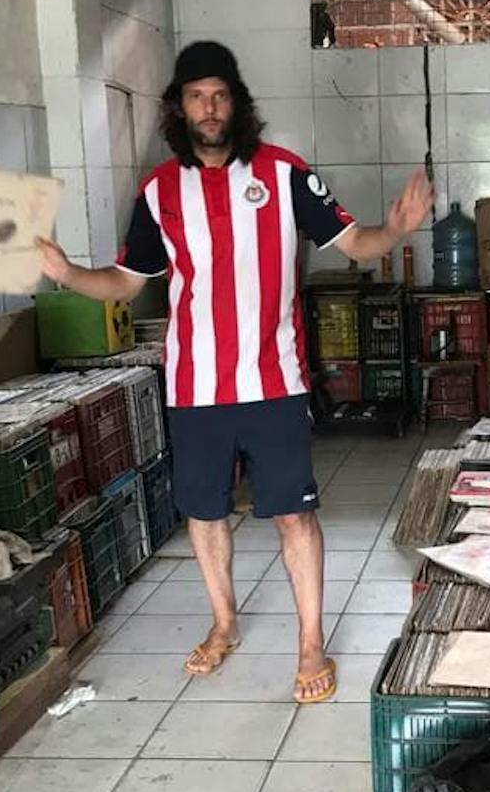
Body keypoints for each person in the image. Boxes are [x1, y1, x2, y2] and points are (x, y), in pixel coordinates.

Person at [37, 39, 433, 703]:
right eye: (197, 97)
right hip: (195, 387)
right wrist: (67, 273)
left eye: (220, 95)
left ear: (237, 103)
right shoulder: (159, 192)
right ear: (179, 108)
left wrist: (393, 231)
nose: (209, 108)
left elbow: (356, 243)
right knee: (205, 511)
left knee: (294, 516)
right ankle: (224, 623)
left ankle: (310, 643)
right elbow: (125, 283)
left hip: (274, 381)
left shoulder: (284, 173)